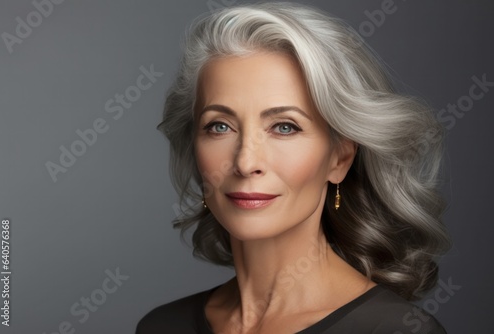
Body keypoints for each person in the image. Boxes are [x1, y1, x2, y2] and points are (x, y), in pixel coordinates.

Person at [136, 2, 451, 333]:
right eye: (220, 126)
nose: (246, 163)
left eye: (284, 127)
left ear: (340, 157)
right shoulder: (161, 326)